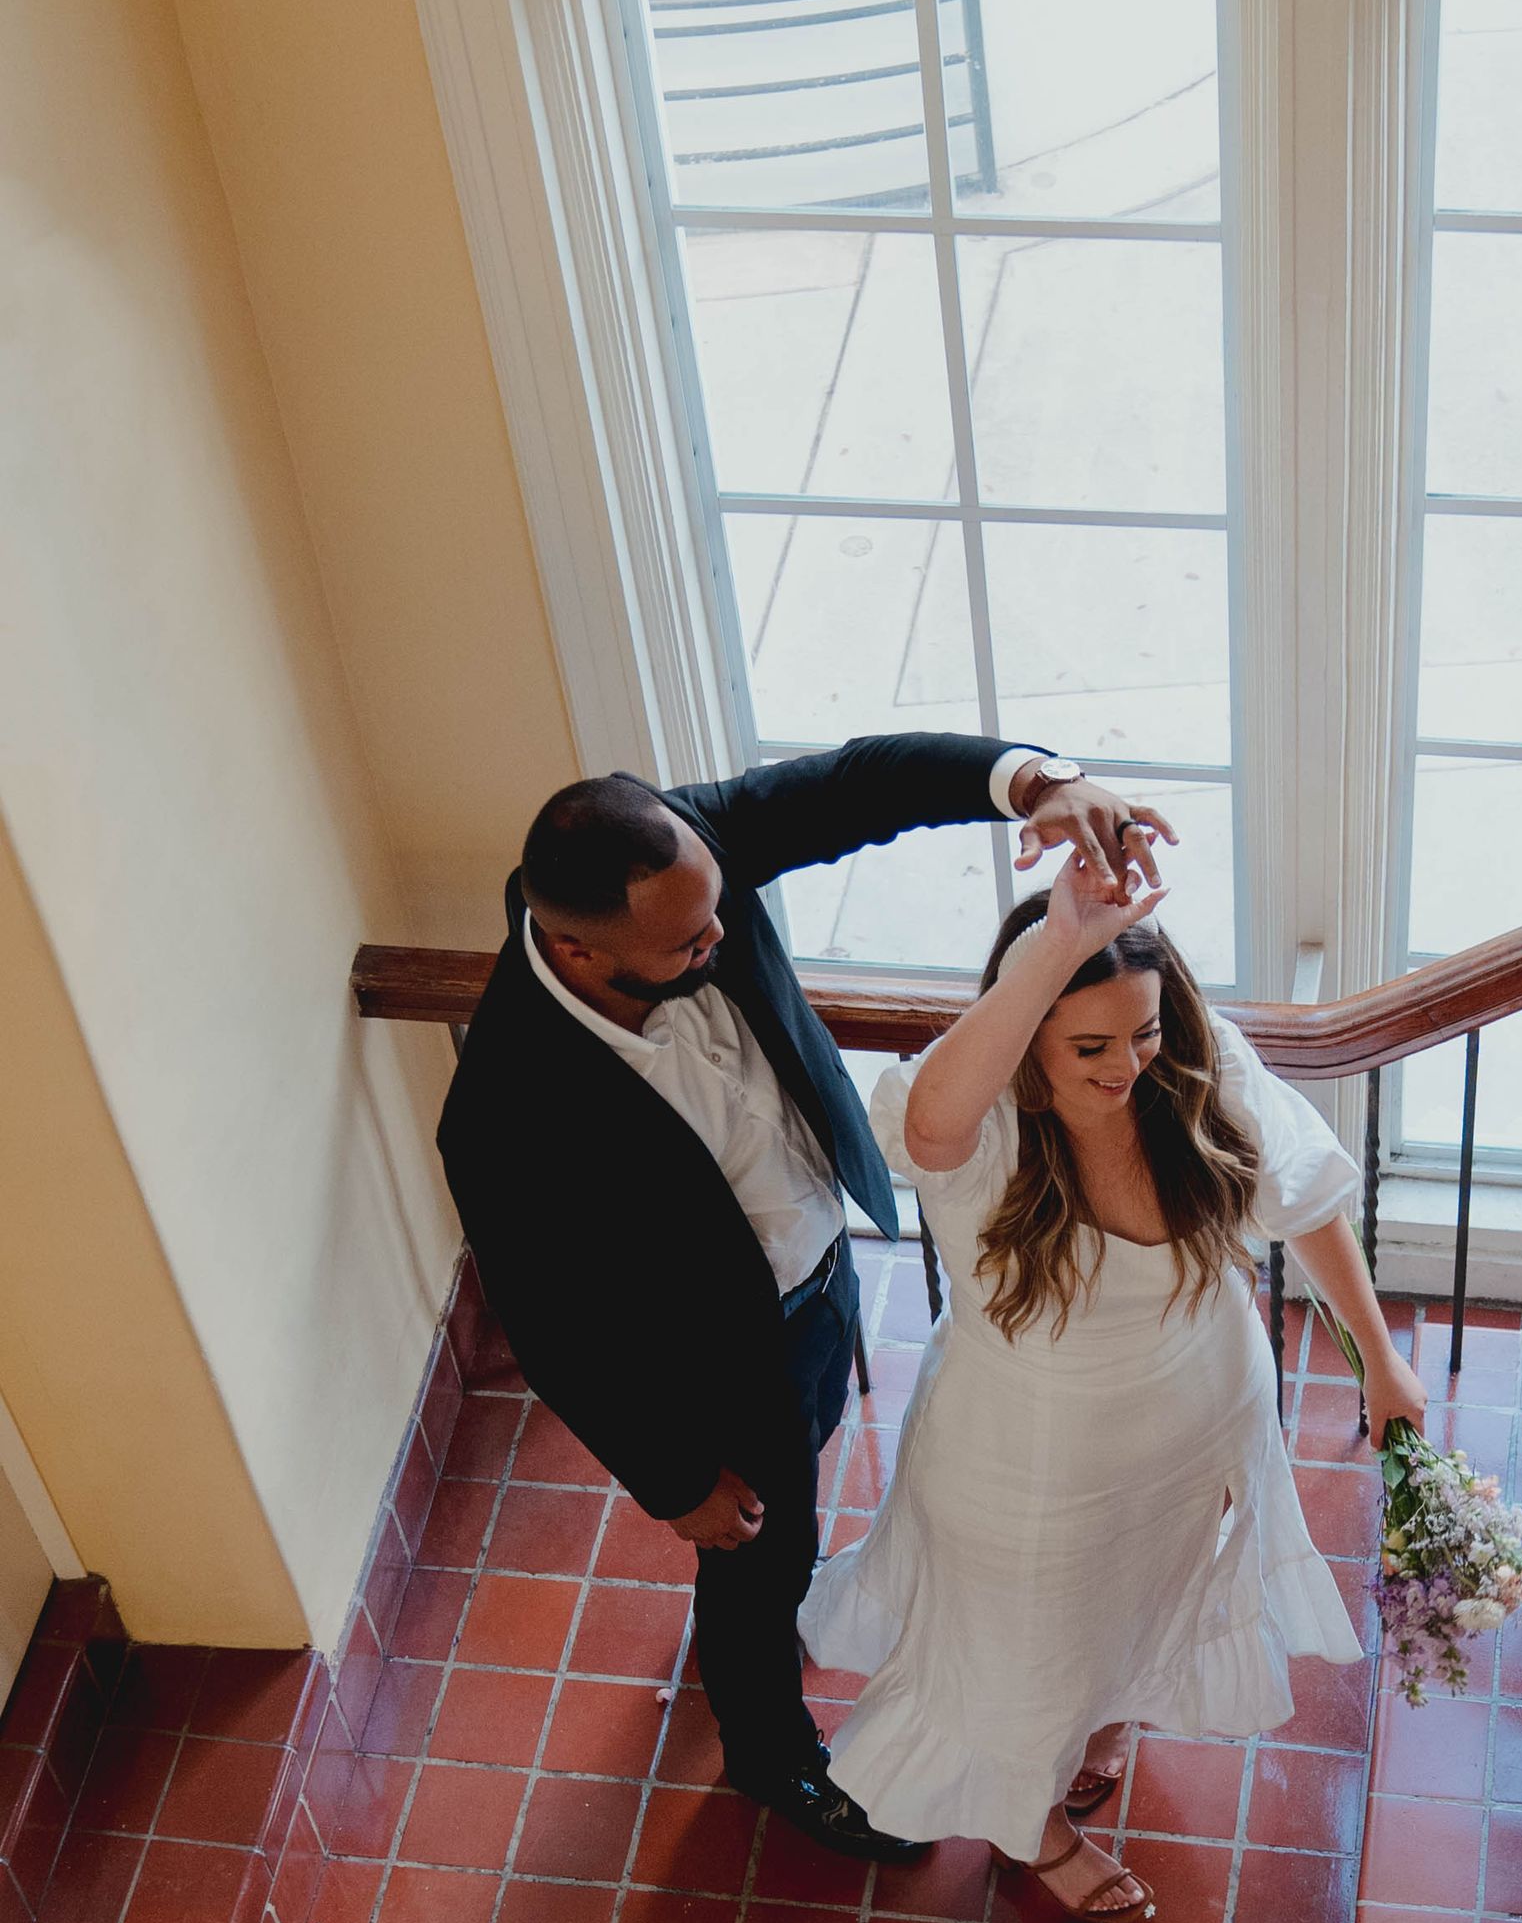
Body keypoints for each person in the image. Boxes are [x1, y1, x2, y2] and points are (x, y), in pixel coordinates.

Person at [436, 734, 1162, 1862]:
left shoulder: (685, 855)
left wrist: (1037, 782)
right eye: (688, 946)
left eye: (717, 910)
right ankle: (769, 1757)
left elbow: (852, 786)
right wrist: (677, 1482)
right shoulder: (504, 1111)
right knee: (759, 1552)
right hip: (717, 1365)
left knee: (801, 1481)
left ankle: (740, 1608)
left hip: (819, 1285)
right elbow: (553, 1330)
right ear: (578, 953)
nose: (720, 939)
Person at [798, 851, 1428, 1919]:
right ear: (1027, 1031)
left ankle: (1102, 1717)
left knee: (1136, 1608)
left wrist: (1377, 1350)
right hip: (1029, 1468)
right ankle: (1032, 1827)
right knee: (1027, 1646)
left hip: (1193, 1430)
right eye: (1088, 1045)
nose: (1127, 1067)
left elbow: (1307, 1195)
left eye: (1143, 1034)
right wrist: (1054, 945)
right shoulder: (983, 1131)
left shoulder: (1195, 1072)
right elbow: (924, 1126)